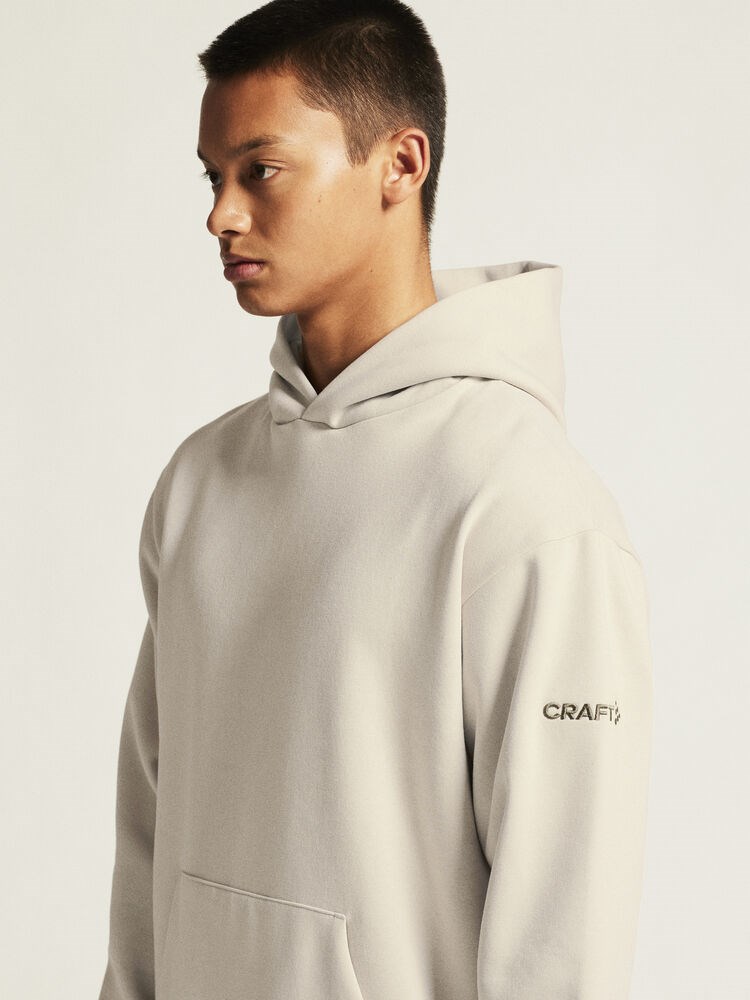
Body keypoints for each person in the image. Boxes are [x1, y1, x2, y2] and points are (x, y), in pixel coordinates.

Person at [97, 1, 653, 998]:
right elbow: (149, 833)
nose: (222, 215)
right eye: (213, 176)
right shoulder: (199, 482)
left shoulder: (526, 506)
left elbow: (565, 934)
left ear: (400, 163)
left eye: (261, 170)